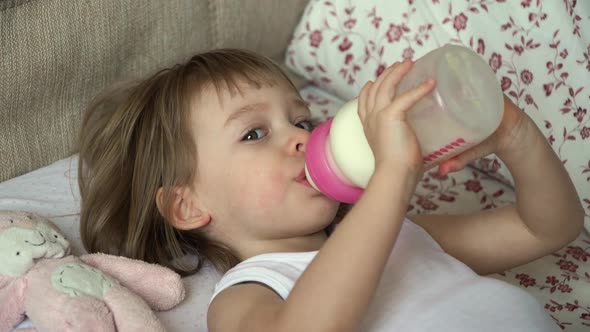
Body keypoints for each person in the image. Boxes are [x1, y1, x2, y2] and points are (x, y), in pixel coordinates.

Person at [78, 48, 584, 331]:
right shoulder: (246, 295)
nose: (302, 136)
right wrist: (391, 178)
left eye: (302, 119)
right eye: (255, 133)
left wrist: (516, 137)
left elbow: (546, 228)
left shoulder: (404, 234)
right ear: (188, 205)